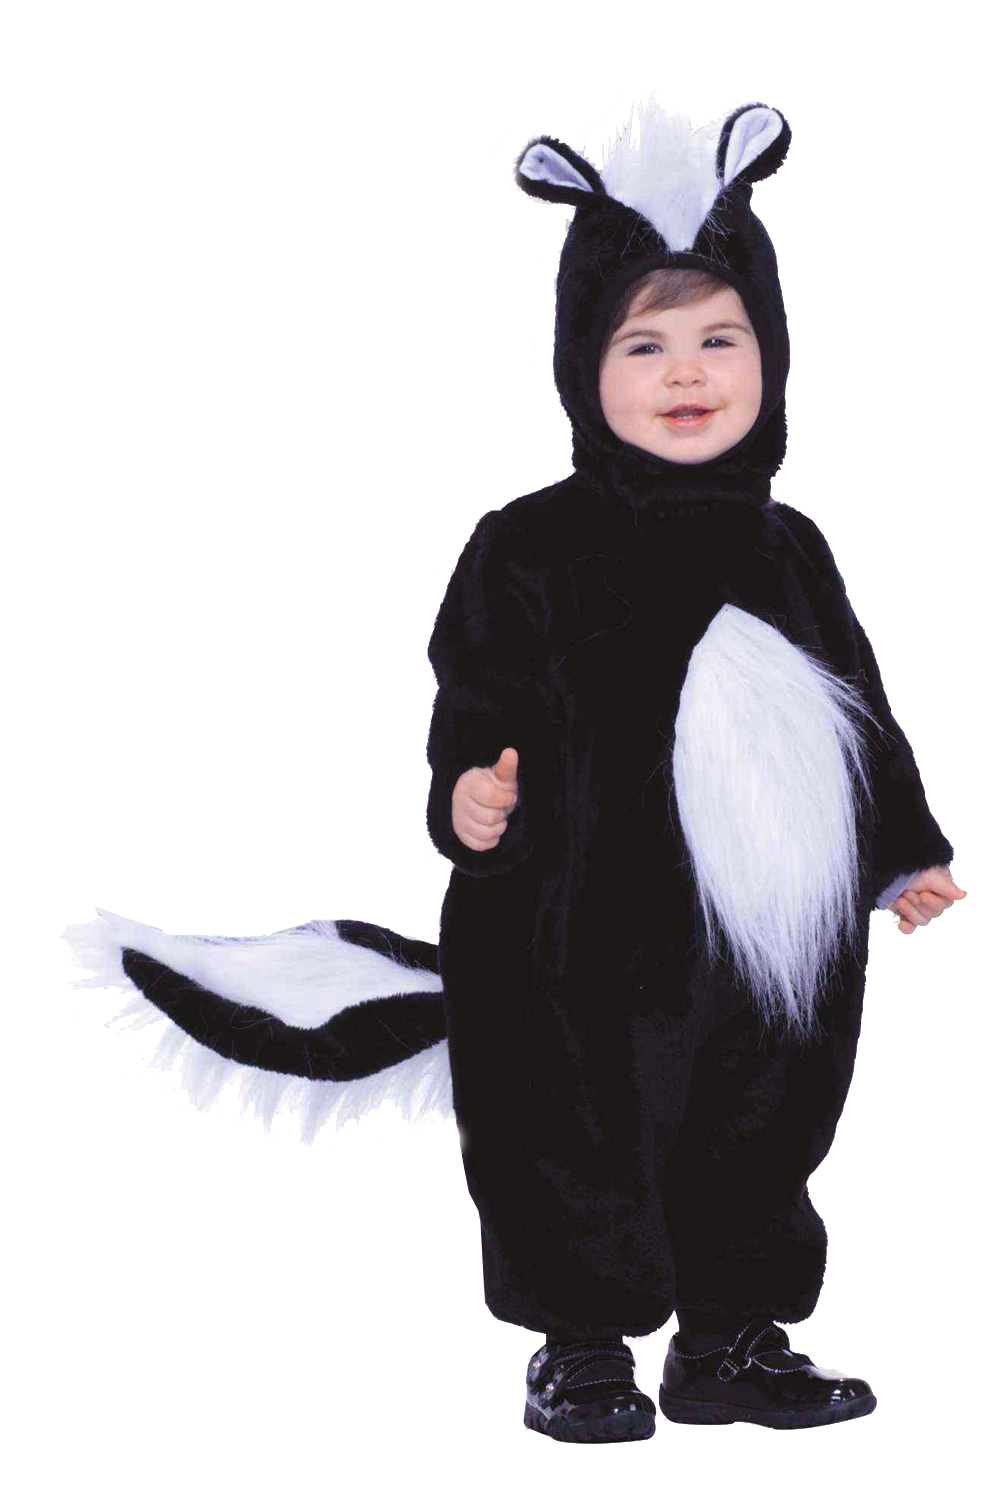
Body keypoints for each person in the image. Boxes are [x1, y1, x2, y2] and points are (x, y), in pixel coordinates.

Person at [62, 96, 966, 1443]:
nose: (685, 373)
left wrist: (901, 851)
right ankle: (581, 1344)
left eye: (720, 340)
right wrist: (466, 795)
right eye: (643, 344)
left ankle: (730, 1337)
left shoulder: (791, 549)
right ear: (580, 367)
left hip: (775, 939)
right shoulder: (530, 546)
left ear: (771, 357)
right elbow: (475, 696)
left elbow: (858, 715)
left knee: (765, 1115)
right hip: (569, 924)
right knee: (574, 1123)